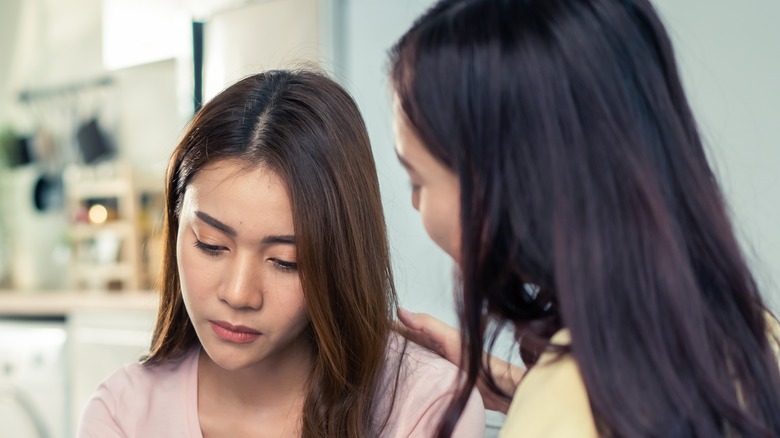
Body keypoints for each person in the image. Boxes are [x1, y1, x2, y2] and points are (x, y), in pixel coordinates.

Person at [388, 0, 780, 437]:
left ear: (507, 185)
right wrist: (523, 386)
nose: (413, 205)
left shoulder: (559, 413)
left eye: (415, 181)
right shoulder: (751, 335)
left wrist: (546, 398)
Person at [77, 69, 484, 437]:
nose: (239, 294)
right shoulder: (122, 414)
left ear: (339, 259)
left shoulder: (427, 406)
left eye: (286, 262)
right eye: (210, 245)